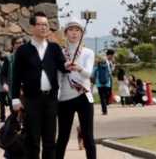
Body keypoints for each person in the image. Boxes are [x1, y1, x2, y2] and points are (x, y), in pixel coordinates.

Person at [10, 11, 63, 159]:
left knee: (50, 140)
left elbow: (63, 66)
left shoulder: (54, 48)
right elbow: (16, 76)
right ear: (32, 27)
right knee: (32, 139)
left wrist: (71, 65)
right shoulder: (23, 50)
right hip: (31, 100)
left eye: (46, 25)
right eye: (40, 24)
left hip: (51, 99)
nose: (43, 27)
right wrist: (15, 98)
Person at [54, 19, 98, 159]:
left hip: (84, 97)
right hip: (65, 98)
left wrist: (78, 68)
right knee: (63, 136)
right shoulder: (60, 53)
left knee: (88, 136)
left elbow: (89, 74)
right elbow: (58, 78)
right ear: (65, 33)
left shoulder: (88, 52)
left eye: (77, 30)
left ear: (82, 33)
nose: (74, 33)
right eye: (71, 30)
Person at [93, 50, 114, 116]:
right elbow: (110, 72)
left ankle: (104, 110)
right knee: (107, 95)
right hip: (107, 83)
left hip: (99, 83)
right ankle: (105, 105)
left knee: (102, 97)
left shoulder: (97, 64)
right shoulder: (108, 63)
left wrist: (94, 78)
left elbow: (93, 72)